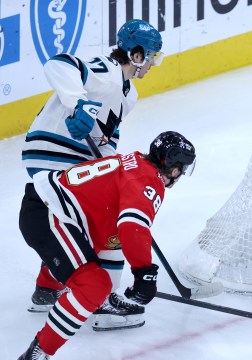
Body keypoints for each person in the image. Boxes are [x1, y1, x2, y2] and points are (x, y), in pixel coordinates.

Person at [9, 131, 196, 360]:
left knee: (104, 241)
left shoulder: (135, 162)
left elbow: (117, 229)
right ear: (170, 164)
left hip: (47, 207)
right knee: (93, 284)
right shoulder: (149, 181)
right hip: (49, 214)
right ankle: (35, 355)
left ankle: (47, 290)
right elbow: (132, 227)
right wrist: (144, 274)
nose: (181, 173)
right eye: (180, 167)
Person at [21, 19, 164, 330]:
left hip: (75, 160)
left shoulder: (130, 94)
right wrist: (78, 104)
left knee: (74, 219)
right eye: (151, 56)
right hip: (53, 154)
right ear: (136, 55)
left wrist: (121, 176)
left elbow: (103, 141)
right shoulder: (106, 69)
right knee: (106, 218)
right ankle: (103, 300)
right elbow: (59, 65)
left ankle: (47, 288)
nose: (153, 63)